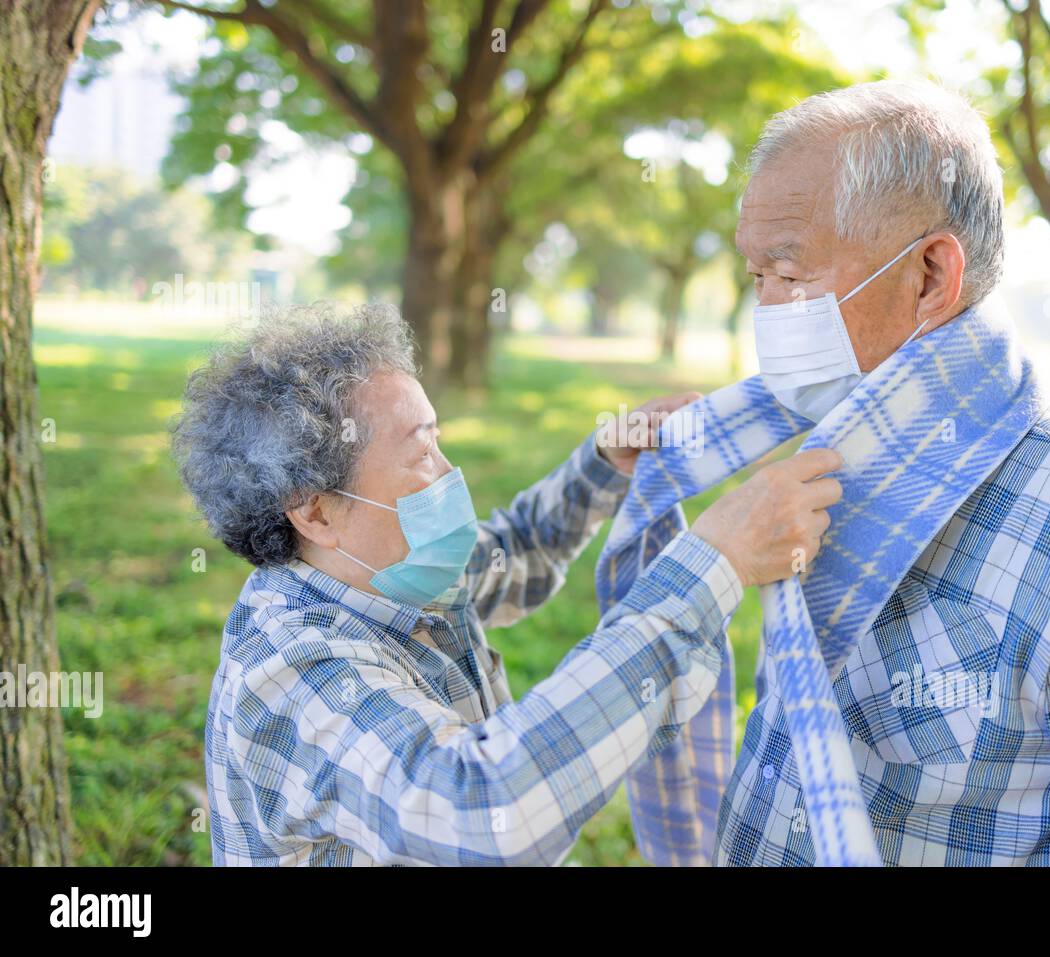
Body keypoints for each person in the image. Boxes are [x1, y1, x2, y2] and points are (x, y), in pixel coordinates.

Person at [700, 80, 1050, 866]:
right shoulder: (830, 465)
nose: (768, 310)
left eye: (789, 275)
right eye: (757, 279)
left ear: (928, 276)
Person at [171, 303, 842, 865]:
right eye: (418, 452)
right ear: (315, 510)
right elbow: (487, 808)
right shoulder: (293, 670)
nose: (447, 470)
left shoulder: (386, 569)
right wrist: (714, 564)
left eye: (438, 438)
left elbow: (517, 549)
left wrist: (607, 461)